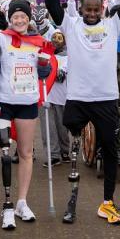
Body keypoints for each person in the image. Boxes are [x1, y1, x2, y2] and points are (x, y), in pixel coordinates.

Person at [44, 0, 120, 225]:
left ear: (102, 8)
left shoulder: (113, 25)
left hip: (106, 98)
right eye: (86, 9)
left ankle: (108, 202)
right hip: (78, 97)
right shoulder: (72, 25)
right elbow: (52, 3)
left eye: (95, 9)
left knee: (111, 148)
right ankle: (75, 174)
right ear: (80, 8)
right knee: (71, 125)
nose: (90, 13)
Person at [0, 0, 53, 230]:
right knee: (4, 153)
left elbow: (44, 72)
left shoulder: (37, 41)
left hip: (28, 102)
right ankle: (7, 205)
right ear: (10, 18)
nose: (20, 19)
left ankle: (22, 202)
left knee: (25, 153)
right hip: (3, 103)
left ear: (29, 18)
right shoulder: (1, 39)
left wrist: (45, 65)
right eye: (15, 16)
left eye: (23, 16)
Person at [41, 30, 70, 166]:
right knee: (48, 127)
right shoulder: (45, 55)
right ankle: (53, 155)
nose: (56, 40)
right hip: (46, 95)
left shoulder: (68, 57)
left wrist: (46, 67)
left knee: (62, 127)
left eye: (59, 38)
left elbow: (60, 76)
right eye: (54, 38)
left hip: (61, 96)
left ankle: (64, 151)